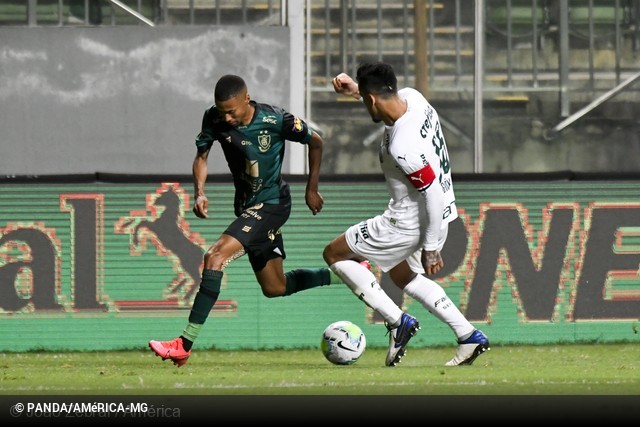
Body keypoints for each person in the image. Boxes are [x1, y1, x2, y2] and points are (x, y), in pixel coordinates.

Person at [149, 74, 354, 366]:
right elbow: (201, 157)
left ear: (247, 99)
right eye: (222, 111)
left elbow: (316, 142)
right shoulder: (214, 118)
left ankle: (183, 344)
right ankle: (350, 273)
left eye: (232, 111)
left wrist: (311, 189)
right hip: (247, 207)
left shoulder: (276, 120)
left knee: (214, 257)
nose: (227, 117)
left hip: (272, 204)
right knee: (275, 287)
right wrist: (199, 193)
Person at [323, 62, 490, 367]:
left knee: (335, 254)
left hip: (411, 221)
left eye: (365, 100)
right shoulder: (413, 97)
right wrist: (356, 91)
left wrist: (430, 247)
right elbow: (381, 101)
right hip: (441, 213)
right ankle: (468, 336)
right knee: (404, 275)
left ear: (372, 99)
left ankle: (397, 321)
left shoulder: (403, 146)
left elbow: (431, 192)